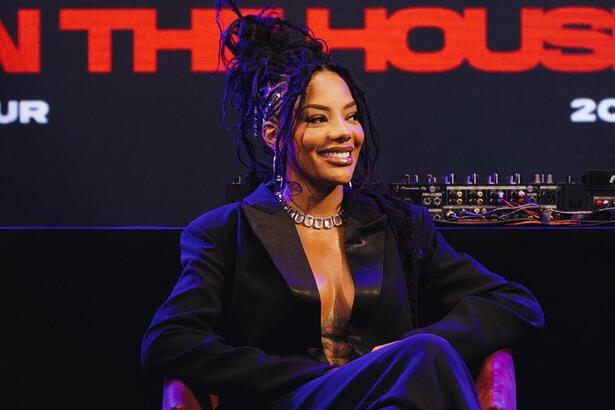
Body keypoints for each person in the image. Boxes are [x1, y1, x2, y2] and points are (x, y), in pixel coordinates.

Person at [141, 2, 545, 409]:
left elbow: (515, 304)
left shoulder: (398, 225)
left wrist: (401, 352)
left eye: (351, 117)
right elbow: (169, 341)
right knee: (425, 358)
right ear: (272, 135)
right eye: (318, 119)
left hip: (391, 396)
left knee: (424, 359)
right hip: (294, 398)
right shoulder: (226, 232)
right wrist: (305, 375)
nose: (343, 134)